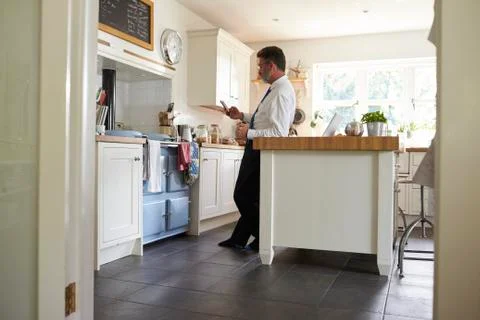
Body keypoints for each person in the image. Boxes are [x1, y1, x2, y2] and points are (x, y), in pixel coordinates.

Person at [218, 46, 296, 251]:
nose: (259, 71)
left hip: (261, 149)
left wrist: (248, 133)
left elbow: (278, 132)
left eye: (261, 66)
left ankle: (265, 235)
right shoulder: (276, 88)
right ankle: (241, 239)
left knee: (242, 195)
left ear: (271, 65)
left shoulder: (280, 92)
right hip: (258, 147)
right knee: (251, 197)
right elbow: (264, 120)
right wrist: (241, 115)